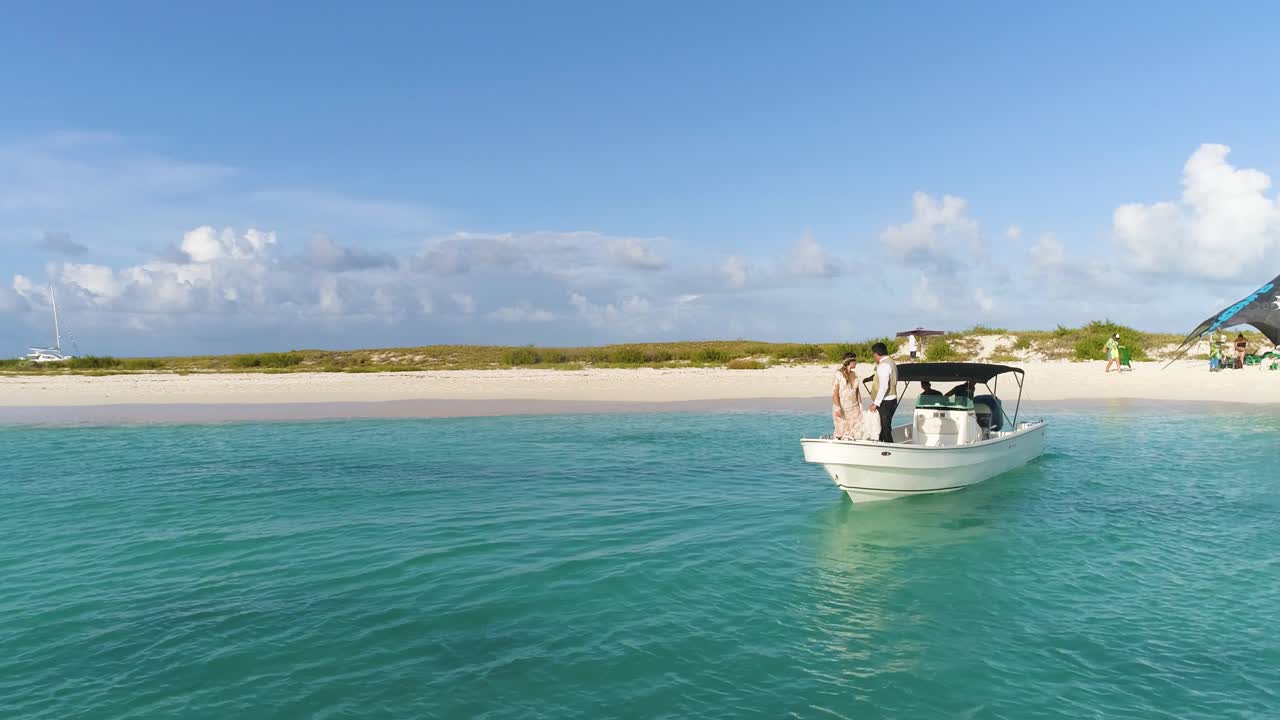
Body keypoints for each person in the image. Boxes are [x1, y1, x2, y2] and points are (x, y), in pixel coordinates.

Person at [830, 353, 867, 440]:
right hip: (843, 408)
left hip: (854, 408)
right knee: (842, 431)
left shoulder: (854, 374)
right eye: (855, 360)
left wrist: (860, 406)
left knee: (855, 430)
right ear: (850, 362)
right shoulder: (838, 374)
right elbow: (835, 393)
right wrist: (837, 408)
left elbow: (857, 392)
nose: (856, 362)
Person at [868, 342, 898, 443]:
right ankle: (881, 445)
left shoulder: (884, 365)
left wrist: (875, 403)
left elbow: (884, 387)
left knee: (884, 428)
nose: (873, 357)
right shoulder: (891, 362)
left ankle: (889, 447)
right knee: (883, 427)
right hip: (892, 399)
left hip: (886, 401)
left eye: (873, 354)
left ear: (876, 354)